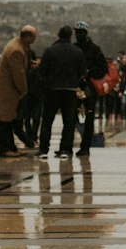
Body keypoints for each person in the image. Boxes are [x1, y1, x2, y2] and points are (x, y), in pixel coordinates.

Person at [37, 26, 86, 159]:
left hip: (52, 90)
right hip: (70, 90)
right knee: (68, 122)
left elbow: (41, 72)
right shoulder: (77, 51)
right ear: (71, 36)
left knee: (47, 121)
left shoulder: (49, 51)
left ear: (58, 35)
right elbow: (82, 72)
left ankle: (43, 149)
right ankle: (65, 148)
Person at [0, 26, 37, 158]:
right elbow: (18, 74)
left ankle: (11, 147)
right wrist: (24, 90)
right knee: (5, 121)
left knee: (8, 120)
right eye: (34, 37)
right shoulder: (17, 50)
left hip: (7, 90)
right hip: (8, 91)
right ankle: (5, 149)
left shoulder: (17, 44)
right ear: (28, 37)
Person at [73, 22, 107, 156]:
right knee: (76, 117)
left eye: (80, 32)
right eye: (77, 32)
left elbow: (102, 69)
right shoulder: (93, 49)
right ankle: (83, 145)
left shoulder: (94, 49)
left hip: (88, 87)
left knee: (88, 117)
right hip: (80, 86)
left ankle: (85, 145)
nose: (79, 35)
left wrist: (89, 73)